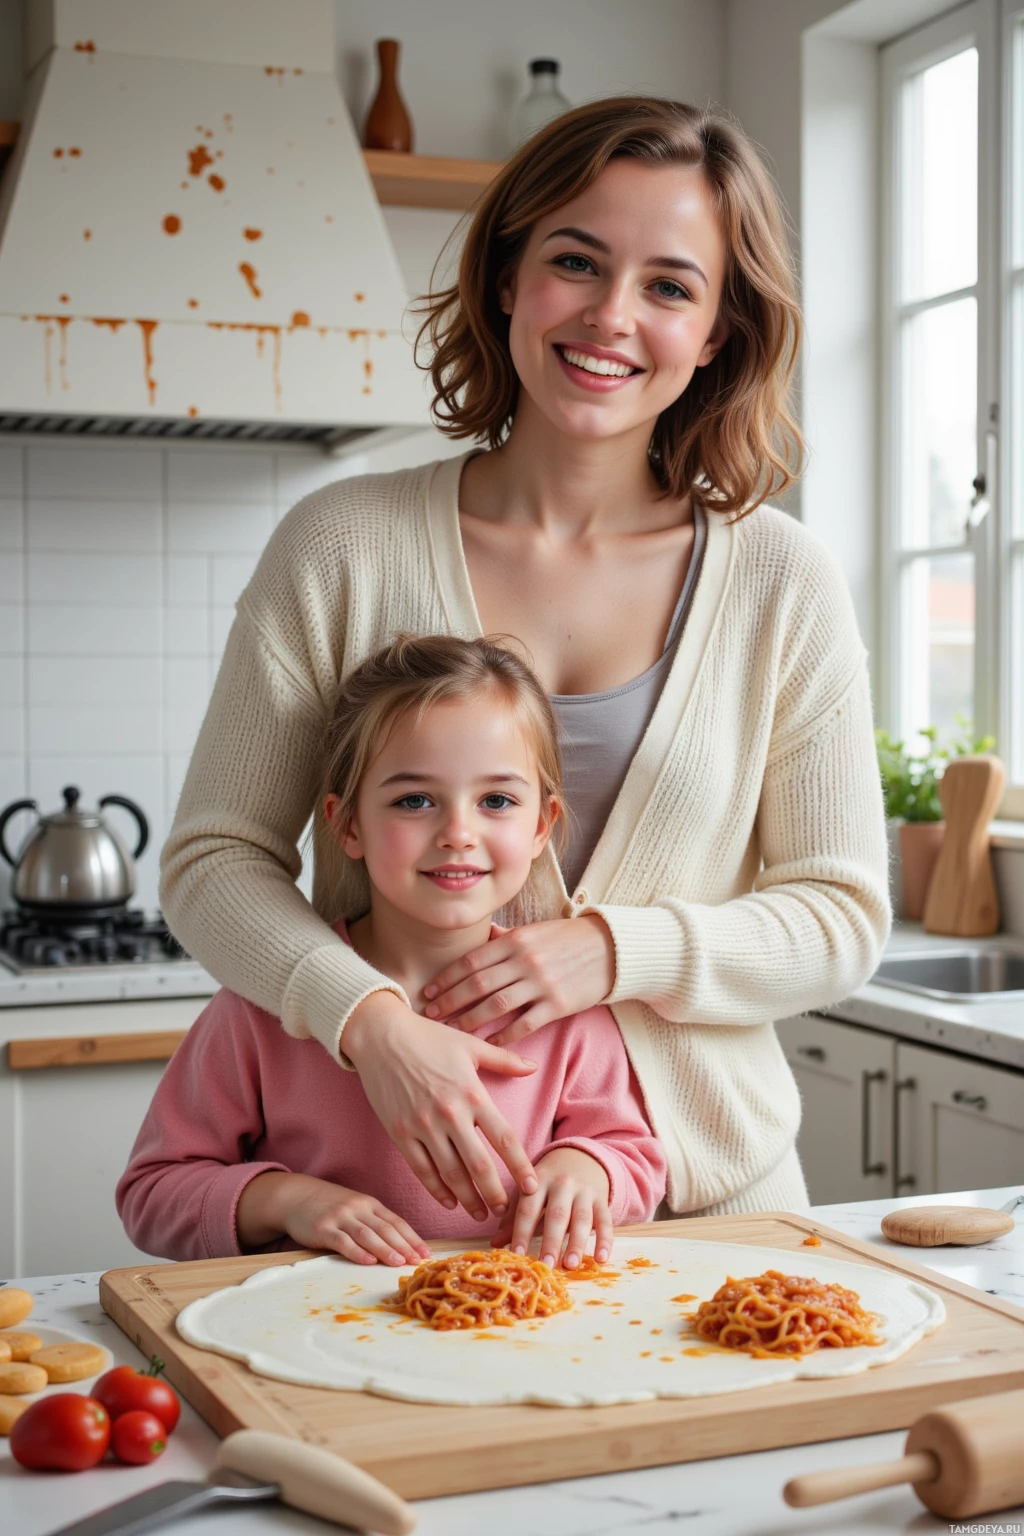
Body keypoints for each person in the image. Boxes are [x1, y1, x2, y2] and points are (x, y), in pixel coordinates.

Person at [160, 97, 890, 1225]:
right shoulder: (341, 545)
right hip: (398, 1224)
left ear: (716, 333)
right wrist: (368, 1023)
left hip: (714, 1212)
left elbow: (840, 916)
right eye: (575, 261)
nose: (609, 316)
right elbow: (215, 859)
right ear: (507, 278)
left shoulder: (779, 582)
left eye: (668, 285)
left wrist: (611, 952)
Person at [119, 637, 666, 1266]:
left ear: (541, 825)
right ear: (348, 825)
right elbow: (152, 1194)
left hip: (518, 1341)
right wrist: (289, 1200)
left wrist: (586, 1169)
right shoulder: (263, 1009)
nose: (458, 833)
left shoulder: (560, 1005)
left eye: (496, 801)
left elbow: (636, 1158)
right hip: (314, 1336)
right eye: (414, 800)